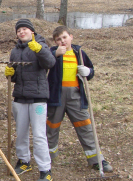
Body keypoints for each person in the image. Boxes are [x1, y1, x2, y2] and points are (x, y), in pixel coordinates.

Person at [46, 26, 113, 172]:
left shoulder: (80, 54)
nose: (62, 41)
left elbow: (91, 71)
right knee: (52, 127)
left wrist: (88, 72)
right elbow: (44, 65)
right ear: (55, 42)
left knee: (85, 126)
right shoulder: (52, 52)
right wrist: (54, 55)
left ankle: (96, 160)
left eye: (64, 37)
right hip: (56, 96)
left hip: (75, 96)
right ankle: (48, 157)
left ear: (71, 36)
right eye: (58, 39)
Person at [5, 19, 56, 181]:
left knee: (39, 135)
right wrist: (10, 75)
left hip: (38, 99)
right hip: (20, 97)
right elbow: (16, 77)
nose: (21, 32)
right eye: (19, 30)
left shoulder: (40, 45)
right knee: (21, 132)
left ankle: (45, 170)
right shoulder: (15, 51)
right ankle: (24, 161)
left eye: (24, 29)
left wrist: (40, 50)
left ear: (32, 31)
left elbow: (49, 63)